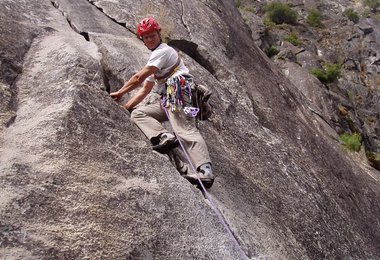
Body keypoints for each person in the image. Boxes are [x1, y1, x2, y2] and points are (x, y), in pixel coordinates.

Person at [110, 17, 214, 187]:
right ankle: (163, 136)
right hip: (168, 98)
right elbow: (144, 90)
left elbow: (138, 78)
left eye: (152, 35)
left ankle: (205, 170)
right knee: (139, 113)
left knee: (184, 129)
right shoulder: (156, 63)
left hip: (178, 88)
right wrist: (126, 108)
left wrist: (121, 92)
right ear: (143, 40)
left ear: (159, 34)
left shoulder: (163, 52)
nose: (150, 39)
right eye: (146, 37)